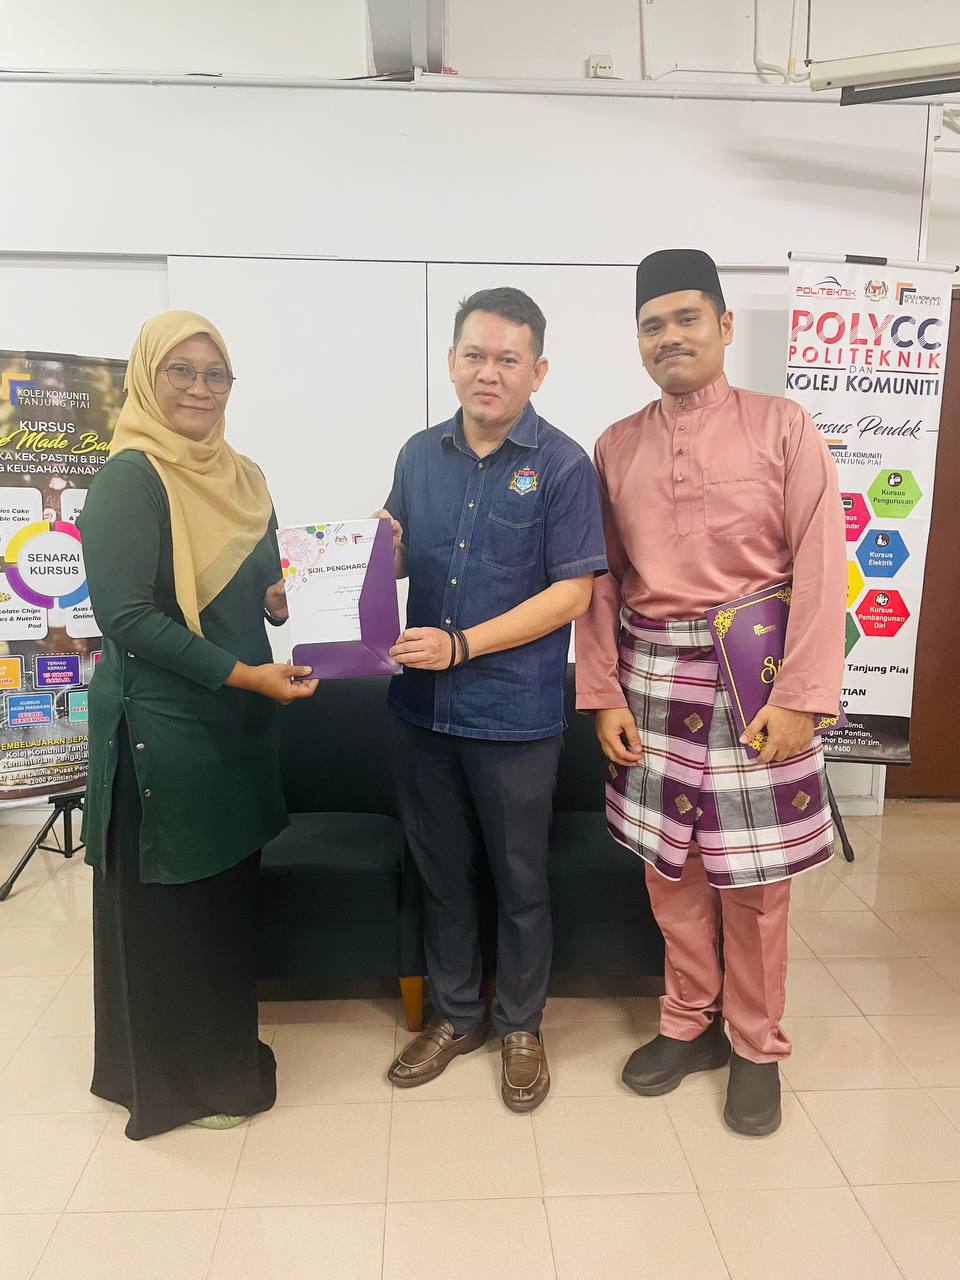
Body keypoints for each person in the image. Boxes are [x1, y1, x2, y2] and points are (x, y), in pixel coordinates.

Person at [576, 250, 845, 1136]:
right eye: (652, 325)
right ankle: (688, 1021)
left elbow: (821, 562)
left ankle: (755, 1043)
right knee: (671, 869)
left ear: (725, 326)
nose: (670, 337)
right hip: (652, 676)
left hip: (755, 683)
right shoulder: (615, 445)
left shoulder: (783, 426)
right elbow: (600, 579)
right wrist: (604, 691)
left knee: (756, 880)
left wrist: (803, 693)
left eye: (687, 318)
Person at [78, 311, 317, 1140]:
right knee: (170, 912)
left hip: (234, 727)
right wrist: (246, 674)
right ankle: (172, 1082)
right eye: (180, 370)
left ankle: (220, 1056)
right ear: (148, 377)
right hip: (162, 733)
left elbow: (258, 591)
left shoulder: (244, 477)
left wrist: (282, 600)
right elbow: (126, 618)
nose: (200, 389)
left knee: (220, 906)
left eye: (216, 374)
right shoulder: (130, 479)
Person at [380, 287, 607, 1112]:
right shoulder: (417, 455)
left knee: (519, 880)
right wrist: (368, 554)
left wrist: (464, 645)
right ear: (451, 362)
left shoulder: (564, 466)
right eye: (475, 355)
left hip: (515, 716)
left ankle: (521, 1026)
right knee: (442, 876)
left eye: (509, 359)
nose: (489, 372)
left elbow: (573, 594)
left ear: (537, 371)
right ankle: (455, 1016)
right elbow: (396, 559)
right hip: (422, 711)